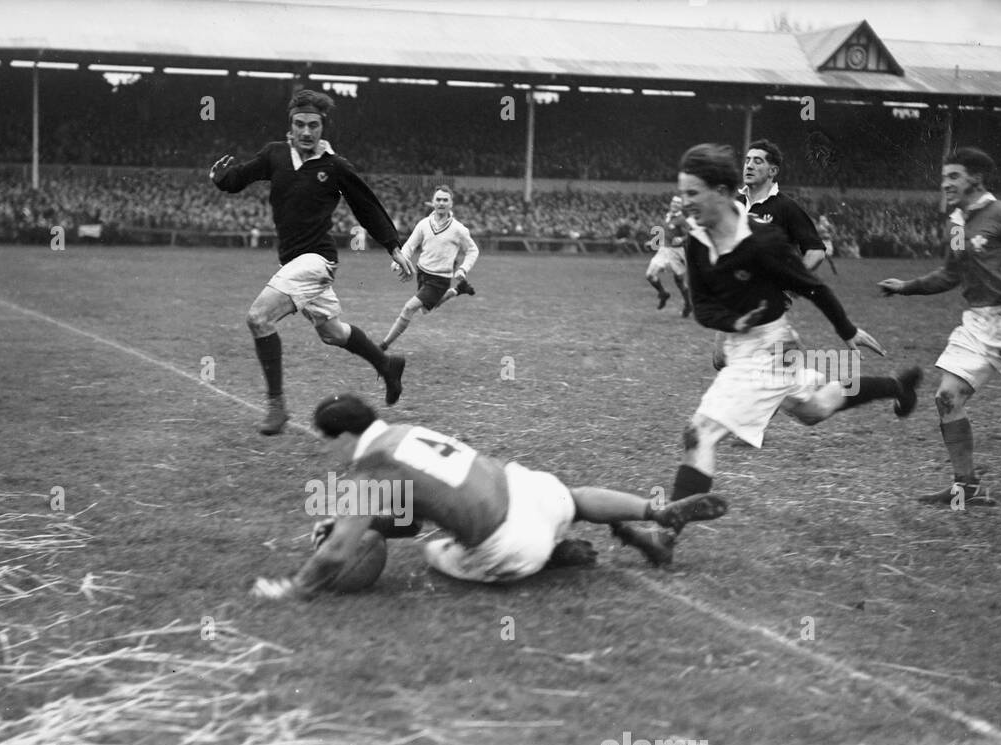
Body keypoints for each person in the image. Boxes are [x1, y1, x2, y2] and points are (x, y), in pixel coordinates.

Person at [612, 144, 921, 561]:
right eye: (682, 194)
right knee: (813, 409)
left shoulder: (761, 241)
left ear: (722, 191)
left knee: (699, 432)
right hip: (744, 345)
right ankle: (895, 386)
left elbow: (813, 286)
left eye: (692, 194)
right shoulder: (697, 243)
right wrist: (733, 323)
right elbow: (702, 307)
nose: (684, 204)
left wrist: (847, 331)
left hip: (771, 347)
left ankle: (663, 538)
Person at [249, 393, 731, 600]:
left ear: (341, 437)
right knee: (576, 499)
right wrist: (372, 523)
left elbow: (338, 551)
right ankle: (654, 512)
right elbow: (412, 512)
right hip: (530, 490)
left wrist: (294, 587)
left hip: (510, 543)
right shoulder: (404, 431)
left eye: (326, 443)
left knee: (431, 550)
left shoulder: (370, 468)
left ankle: (550, 556)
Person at [210, 88, 415, 435]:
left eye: (313, 125)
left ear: (323, 128)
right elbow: (239, 177)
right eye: (299, 124)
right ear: (290, 126)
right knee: (333, 333)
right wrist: (221, 179)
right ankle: (387, 363)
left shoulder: (335, 166)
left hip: (317, 261)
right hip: (293, 263)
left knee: (259, 318)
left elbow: (366, 205)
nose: (306, 132)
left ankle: (276, 407)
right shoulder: (275, 155)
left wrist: (393, 245)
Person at [879, 147, 1001, 508]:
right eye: (944, 176)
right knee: (946, 397)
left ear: (976, 179)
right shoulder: (956, 223)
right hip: (978, 322)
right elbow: (952, 273)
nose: (945, 183)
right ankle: (965, 487)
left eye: (954, 176)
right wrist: (907, 286)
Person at [379, 186, 478, 351]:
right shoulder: (424, 224)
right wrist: (399, 260)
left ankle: (382, 346)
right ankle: (458, 290)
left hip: (440, 279)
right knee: (425, 309)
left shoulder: (459, 229)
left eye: (445, 200)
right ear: (433, 202)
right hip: (422, 273)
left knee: (409, 308)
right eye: (438, 199)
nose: (441, 203)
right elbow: (410, 245)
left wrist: (463, 268)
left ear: (451, 204)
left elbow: (473, 250)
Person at [741, 140, 826, 271]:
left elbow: (816, 251)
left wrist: (794, 278)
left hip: (768, 290)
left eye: (757, 161)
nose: (749, 166)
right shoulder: (734, 204)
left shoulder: (786, 207)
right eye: (747, 161)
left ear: (773, 171)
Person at [645, 195, 692, 317]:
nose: (675, 204)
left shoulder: (682, 219)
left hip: (676, 253)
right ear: (671, 203)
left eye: (678, 203)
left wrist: (682, 238)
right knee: (650, 275)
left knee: (679, 281)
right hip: (663, 251)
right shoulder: (667, 216)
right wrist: (653, 242)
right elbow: (665, 234)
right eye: (673, 202)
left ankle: (688, 305)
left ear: (681, 206)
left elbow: (691, 233)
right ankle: (663, 293)